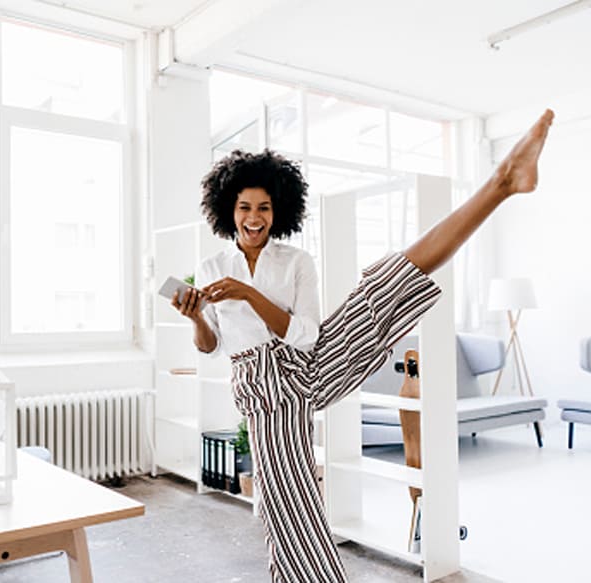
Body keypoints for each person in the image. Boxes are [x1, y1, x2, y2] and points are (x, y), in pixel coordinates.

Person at [171, 110, 554, 582]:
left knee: (389, 284)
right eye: (246, 207)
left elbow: (306, 335)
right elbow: (211, 346)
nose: (255, 218)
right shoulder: (211, 266)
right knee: (288, 507)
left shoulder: (296, 262)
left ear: (278, 210)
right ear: (229, 209)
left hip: (304, 364)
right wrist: (194, 317)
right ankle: (502, 181)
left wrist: (249, 294)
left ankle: (502, 181)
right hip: (261, 389)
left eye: (264, 207)